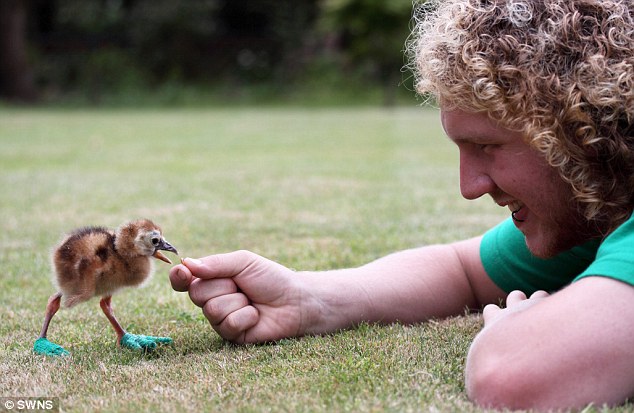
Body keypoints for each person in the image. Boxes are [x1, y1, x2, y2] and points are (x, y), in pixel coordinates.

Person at [169, 0, 634, 410]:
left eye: (486, 147)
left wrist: (512, 329)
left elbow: (511, 376)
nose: (468, 187)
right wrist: (308, 299)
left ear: (580, 131)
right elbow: (463, 270)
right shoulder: (595, 205)